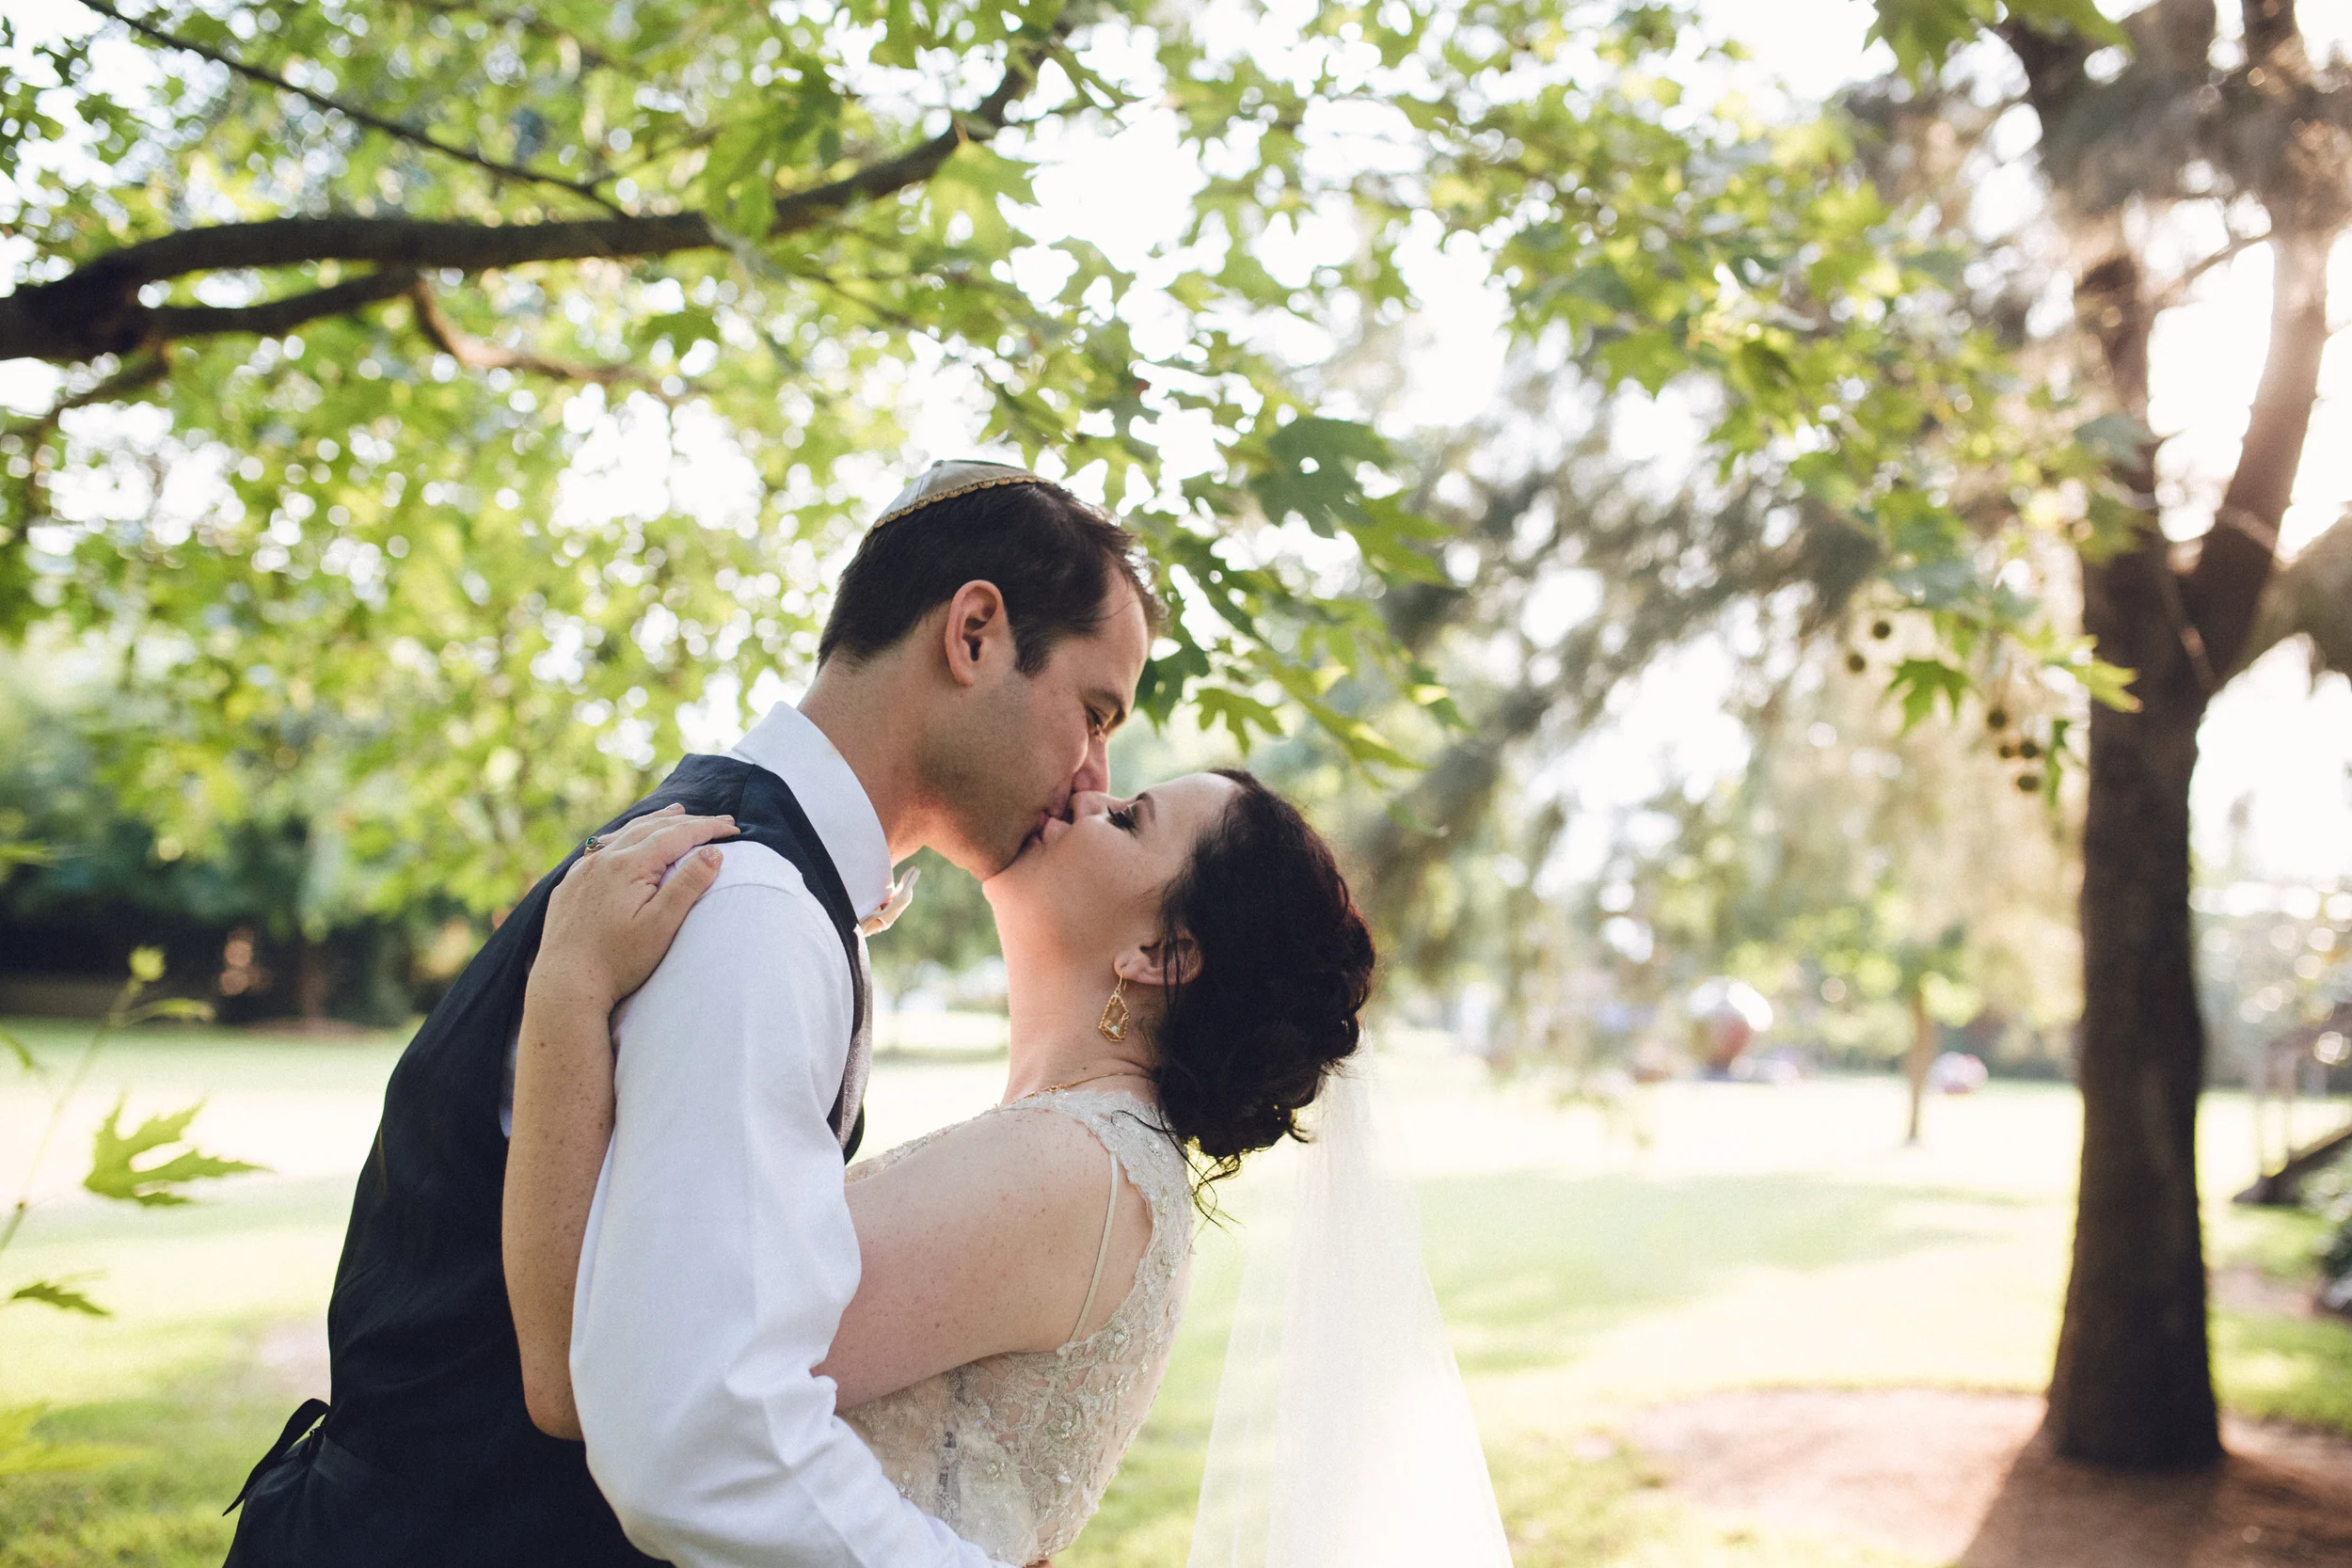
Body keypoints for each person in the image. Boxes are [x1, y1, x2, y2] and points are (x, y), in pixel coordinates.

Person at [223, 461, 1168, 1567]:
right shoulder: (745, 906)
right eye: (1094, 711)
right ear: (972, 633)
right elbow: (694, 1423)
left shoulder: (740, 858)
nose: (1094, 775)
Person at [507, 763, 1375, 1565]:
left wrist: (571, 981)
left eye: (1124, 818)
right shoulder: (1083, 1153)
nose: (1083, 793)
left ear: (1159, 956)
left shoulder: (1071, 1170)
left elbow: (610, 1375)